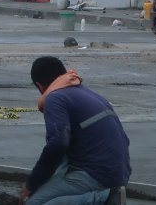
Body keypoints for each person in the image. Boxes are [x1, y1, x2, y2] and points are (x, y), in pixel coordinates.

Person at [19, 56, 130, 205]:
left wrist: (31, 184)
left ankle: (104, 200)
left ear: (39, 86)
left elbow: (58, 143)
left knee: (34, 203)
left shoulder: (55, 98)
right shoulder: (85, 92)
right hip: (119, 172)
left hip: (97, 175)